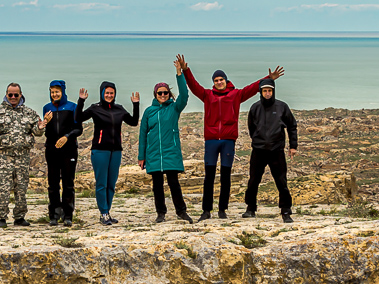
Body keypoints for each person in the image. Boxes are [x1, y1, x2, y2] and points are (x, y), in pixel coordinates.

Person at [180, 55, 284, 221]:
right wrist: (186, 70)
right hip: (212, 140)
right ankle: (206, 211)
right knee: (209, 177)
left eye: (221, 79)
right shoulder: (207, 95)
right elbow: (194, 86)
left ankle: (222, 210)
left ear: (226, 81)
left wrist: (268, 79)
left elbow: (251, 89)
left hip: (228, 140)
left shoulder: (236, 94)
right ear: (213, 82)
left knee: (226, 177)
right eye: (216, 80)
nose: (219, 82)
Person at [0, 83, 46, 228]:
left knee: (21, 188)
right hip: (3, 156)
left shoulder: (30, 113)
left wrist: (40, 128)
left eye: (16, 94)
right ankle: (1, 217)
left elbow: (37, 132)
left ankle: (19, 217)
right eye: (10, 95)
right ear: (6, 94)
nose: (13, 97)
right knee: (3, 188)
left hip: (22, 156)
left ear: (21, 94)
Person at [138, 56, 192, 223]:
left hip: (170, 152)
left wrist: (179, 73)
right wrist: (141, 156)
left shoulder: (174, 108)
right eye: (160, 93)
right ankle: (160, 213)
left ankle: (181, 212)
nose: (162, 95)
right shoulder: (149, 111)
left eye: (165, 92)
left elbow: (184, 94)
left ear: (169, 94)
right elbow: (142, 134)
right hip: (153, 153)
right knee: (157, 186)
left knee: (174, 183)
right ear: (155, 94)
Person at [80, 80, 139, 225]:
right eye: (107, 93)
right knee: (102, 183)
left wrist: (136, 104)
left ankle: (107, 212)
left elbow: (133, 122)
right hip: (100, 150)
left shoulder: (119, 109)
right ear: (102, 93)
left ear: (115, 94)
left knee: (111, 183)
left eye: (112, 93)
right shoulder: (95, 108)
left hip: (116, 151)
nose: (109, 95)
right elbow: (78, 118)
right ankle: (103, 213)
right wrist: (81, 101)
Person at [242, 78, 298, 222]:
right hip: (259, 151)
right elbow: (251, 128)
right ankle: (250, 208)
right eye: (265, 91)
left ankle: (285, 211)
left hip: (276, 151)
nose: (267, 93)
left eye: (270, 91)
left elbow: (292, 126)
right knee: (254, 180)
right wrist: (257, 140)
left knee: (281, 181)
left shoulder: (282, 107)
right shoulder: (255, 108)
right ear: (260, 92)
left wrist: (293, 146)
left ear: (273, 91)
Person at [42, 80, 86, 227]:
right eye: (52, 92)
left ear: (63, 92)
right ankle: (54, 215)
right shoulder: (46, 108)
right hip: (52, 150)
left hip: (69, 150)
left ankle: (68, 215)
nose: (54, 94)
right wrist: (45, 122)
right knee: (53, 184)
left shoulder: (72, 107)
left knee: (68, 184)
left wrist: (67, 137)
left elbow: (78, 129)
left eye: (57, 91)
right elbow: (47, 132)